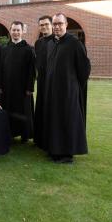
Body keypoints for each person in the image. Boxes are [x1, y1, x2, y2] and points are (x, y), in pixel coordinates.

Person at [42, 13, 91, 163]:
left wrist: (74, 85)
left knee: (67, 120)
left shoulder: (74, 43)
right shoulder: (51, 43)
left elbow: (84, 67)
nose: (57, 26)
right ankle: (55, 150)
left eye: (60, 24)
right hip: (52, 91)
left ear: (66, 24)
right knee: (54, 120)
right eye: (55, 24)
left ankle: (67, 154)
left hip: (68, 91)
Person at [0, 21, 36, 142]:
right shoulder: (5, 49)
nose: (15, 32)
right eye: (13, 30)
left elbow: (32, 70)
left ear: (22, 31)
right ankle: (10, 133)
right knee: (9, 110)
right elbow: (0, 68)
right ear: (10, 31)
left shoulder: (28, 49)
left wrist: (29, 88)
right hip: (8, 87)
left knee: (23, 110)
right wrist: (0, 85)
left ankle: (24, 135)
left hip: (23, 88)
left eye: (18, 30)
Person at [33, 15, 53, 148]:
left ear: (51, 25)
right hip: (42, 80)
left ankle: (50, 139)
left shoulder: (55, 41)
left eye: (46, 24)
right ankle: (40, 139)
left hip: (53, 81)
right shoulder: (38, 42)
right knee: (41, 108)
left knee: (51, 109)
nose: (44, 27)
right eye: (41, 25)